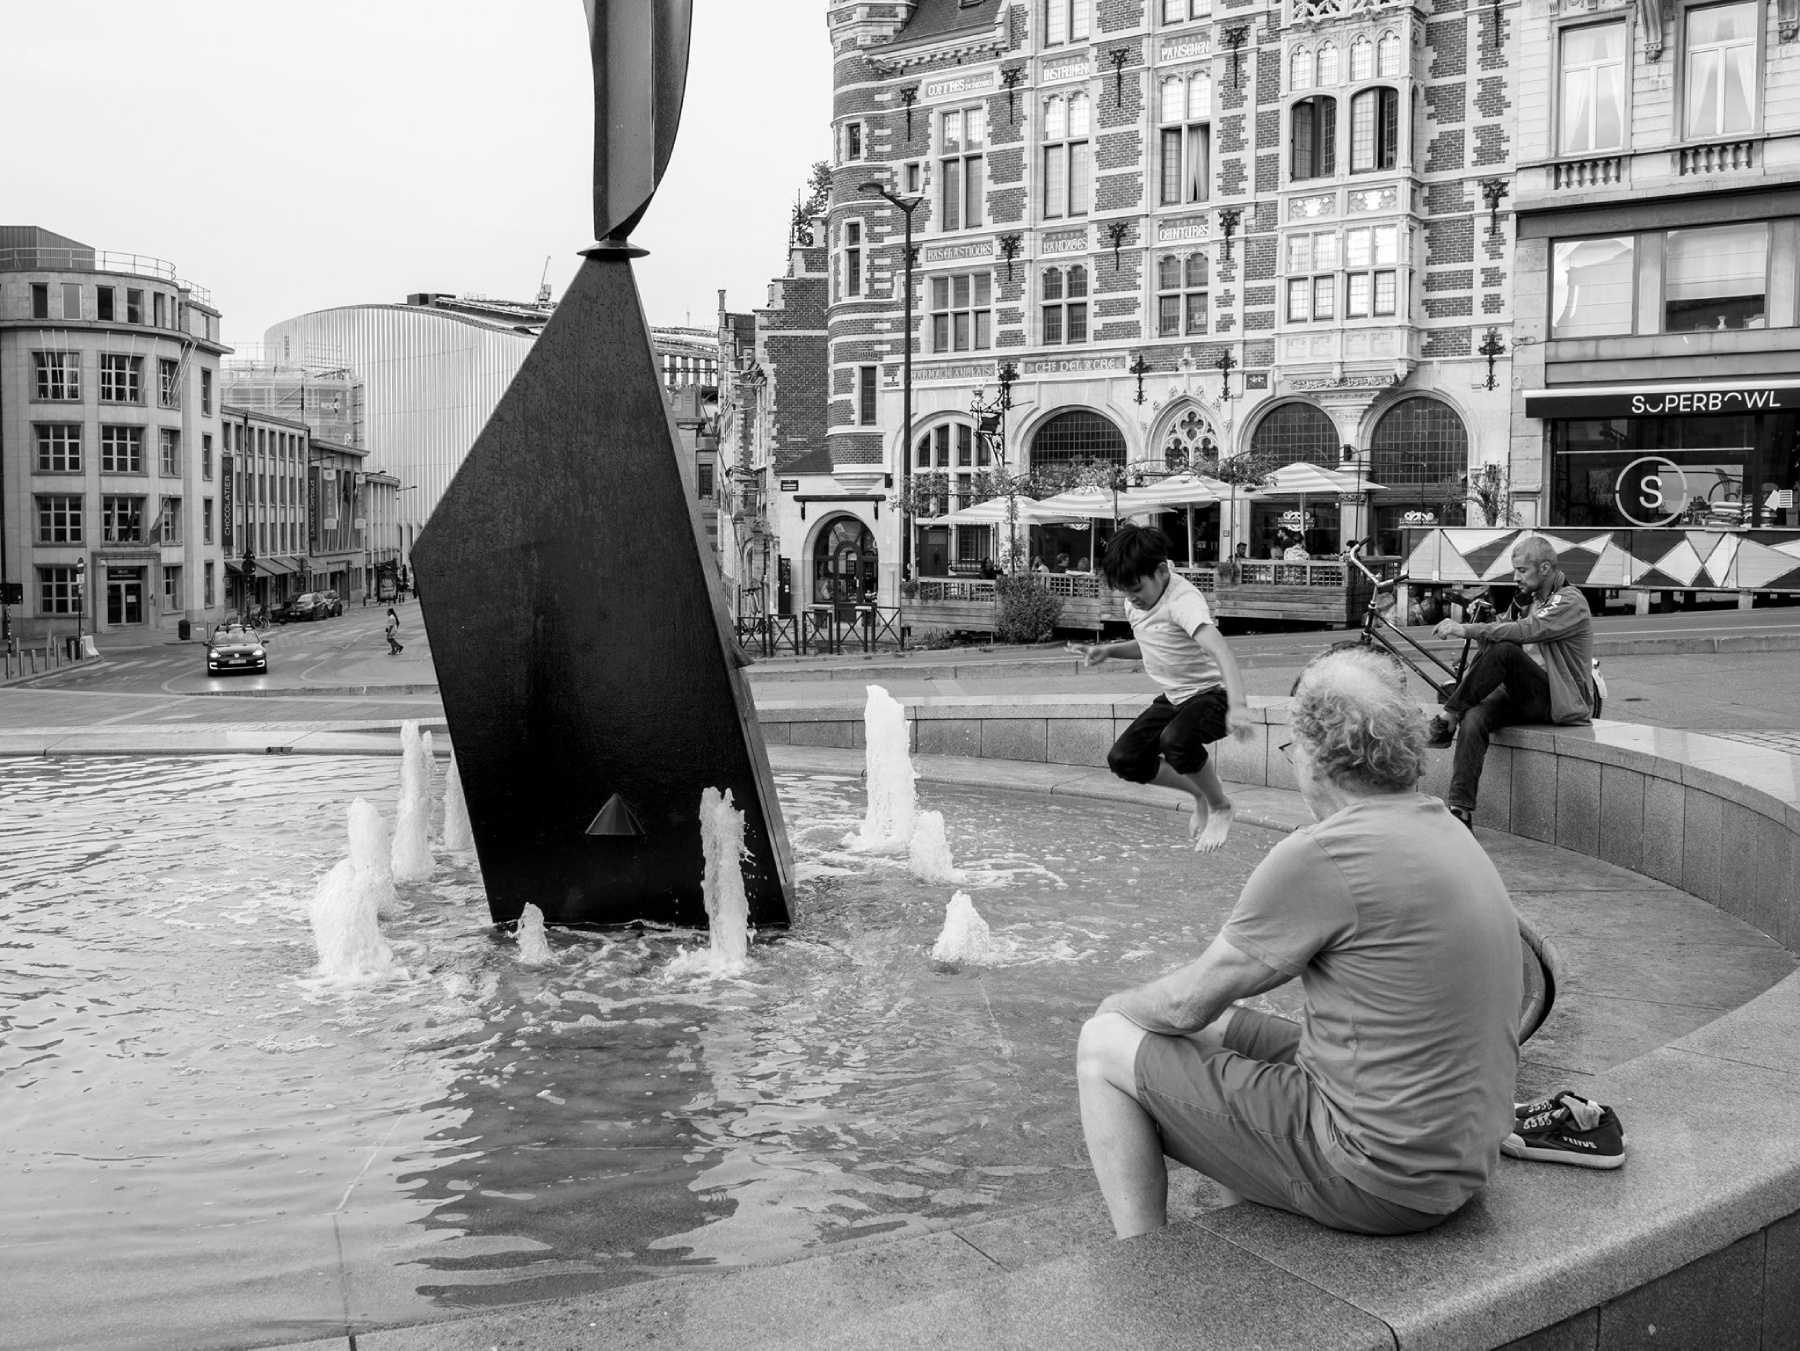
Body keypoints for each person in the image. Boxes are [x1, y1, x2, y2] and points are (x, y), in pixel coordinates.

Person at [1076, 646, 1523, 1238]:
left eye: (1293, 749)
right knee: (1214, 1033)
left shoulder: (1322, 853)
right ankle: (1251, 1205)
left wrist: (1116, 1007)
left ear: (1315, 753)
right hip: (1457, 1158)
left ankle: (1144, 1262)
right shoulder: (1443, 826)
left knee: (1104, 1042)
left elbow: (1188, 1001)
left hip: (1378, 1177)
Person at [1073, 525, 1253, 852]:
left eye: (1136, 590)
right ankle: (1200, 792)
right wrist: (1110, 651)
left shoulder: (1182, 601)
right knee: (1125, 759)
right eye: (1125, 593)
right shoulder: (1139, 601)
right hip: (1175, 699)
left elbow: (1221, 651)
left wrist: (1238, 706)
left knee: (1176, 742)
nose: (1132, 600)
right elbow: (1152, 642)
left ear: (1160, 571)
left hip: (1213, 696)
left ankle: (1220, 805)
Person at [1427, 535, 1594, 831]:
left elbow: (1524, 631)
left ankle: (1448, 715)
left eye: (1522, 570)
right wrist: (1485, 624)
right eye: (1515, 570)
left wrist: (1463, 629)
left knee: (1504, 650)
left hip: (1556, 701)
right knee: (1475, 717)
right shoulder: (1530, 601)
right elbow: (1499, 634)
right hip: (1522, 694)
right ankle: (1460, 812)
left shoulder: (1570, 601)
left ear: (1545, 568)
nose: (1515, 577)